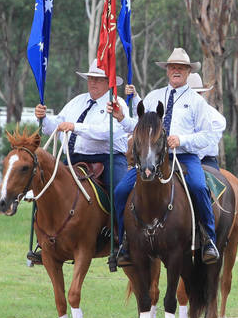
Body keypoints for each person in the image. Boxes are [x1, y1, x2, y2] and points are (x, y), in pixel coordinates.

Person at [110, 48, 220, 264]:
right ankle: (124, 241)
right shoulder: (153, 97)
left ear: (188, 72)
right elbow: (140, 128)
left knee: (198, 187)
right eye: (172, 67)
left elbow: (208, 136)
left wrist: (182, 140)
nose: (176, 70)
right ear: (167, 70)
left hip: (184, 157)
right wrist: (123, 119)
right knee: (121, 189)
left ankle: (208, 239)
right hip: (151, 158)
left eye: (181, 67)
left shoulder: (197, 102)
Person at [33, 60, 130, 264]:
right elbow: (55, 126)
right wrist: (43, 118)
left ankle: (123, 240)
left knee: (120, 190)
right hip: (73, 158)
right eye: (90, 78)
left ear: (108, 82)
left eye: (98, 79)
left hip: (108, 158)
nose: (93, 83)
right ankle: (44, 241)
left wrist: (76, 127)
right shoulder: (77, 101)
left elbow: (107, 133)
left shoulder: (117, 103)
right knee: (43, 187)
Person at [185, 73, 226, 171]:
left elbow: (206, 146)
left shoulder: (216, 118)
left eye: (197, 93)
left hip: (205, 160)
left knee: (209, 183)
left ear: (201, 94)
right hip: (179, 158)